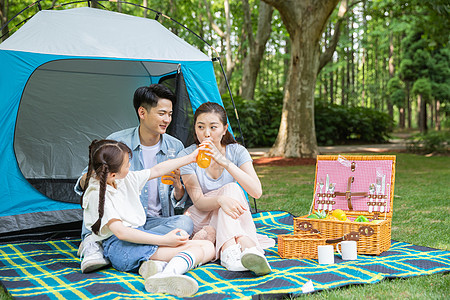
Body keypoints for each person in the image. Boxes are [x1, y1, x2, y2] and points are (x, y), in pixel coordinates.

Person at [75, 84, 193, 273]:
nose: (167, 120)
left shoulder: (175, 146)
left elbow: (178, 200)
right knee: (102, 201)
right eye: (162, 113)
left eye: (170, 114)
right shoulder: (118, 142)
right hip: (120, 223)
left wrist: (178, 184)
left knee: (185, 223)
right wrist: (95, 179)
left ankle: (127, 246)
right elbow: (85, 182)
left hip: (151, 221)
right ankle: (94, 242)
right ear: (142, 112)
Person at [82, 139, 214, 297]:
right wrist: (165, 240)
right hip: (121, 248)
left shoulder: (124, 178)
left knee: (208, 246)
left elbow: (157, 170)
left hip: (137, 234)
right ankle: (167, 273)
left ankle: (161, 271)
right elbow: (122, 233)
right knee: (196, 249)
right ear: (113, 174)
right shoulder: (97, 194)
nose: (130, 166)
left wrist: (191, 158)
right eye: (126, 164)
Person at [178, 102, 275, 276]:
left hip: (228, 215)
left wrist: (225, 163)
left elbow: (256, 192)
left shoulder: (237, 152)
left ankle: (233, 249)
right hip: (201, 218)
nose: (206, 133)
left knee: (231, 190)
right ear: (195, 128)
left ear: (224, 129)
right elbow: (199, 202)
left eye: (213, 127)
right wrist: (221, 200)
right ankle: (248, 248)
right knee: (230, 190)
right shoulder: (188, 155)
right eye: (200, 127)